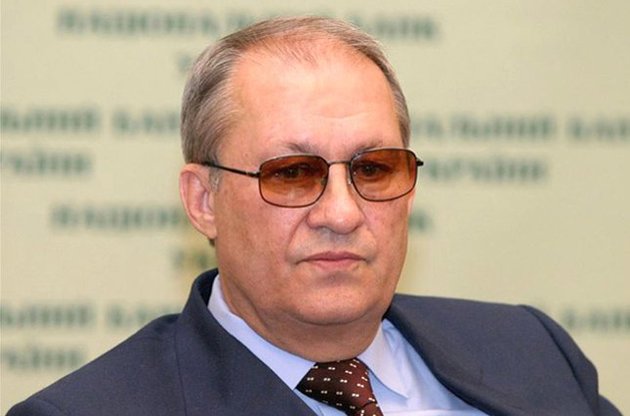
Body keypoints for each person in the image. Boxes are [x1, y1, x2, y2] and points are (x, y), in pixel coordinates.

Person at [8, 16, 620, 416]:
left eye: (373, 169)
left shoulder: (534, 352)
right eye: (292, 174)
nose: (342, 213)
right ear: (203, 201)